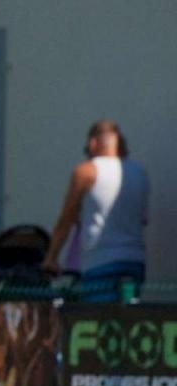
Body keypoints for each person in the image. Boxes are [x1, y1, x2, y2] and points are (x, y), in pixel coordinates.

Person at [44, 119, 151, 302]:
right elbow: (143, 219)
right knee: (129, 320)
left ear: (93, 143)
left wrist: (51, 258)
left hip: (100, 260)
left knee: (99, 320)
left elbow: (66, 219)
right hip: (135, 260)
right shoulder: (140, 173)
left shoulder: (86, 171)